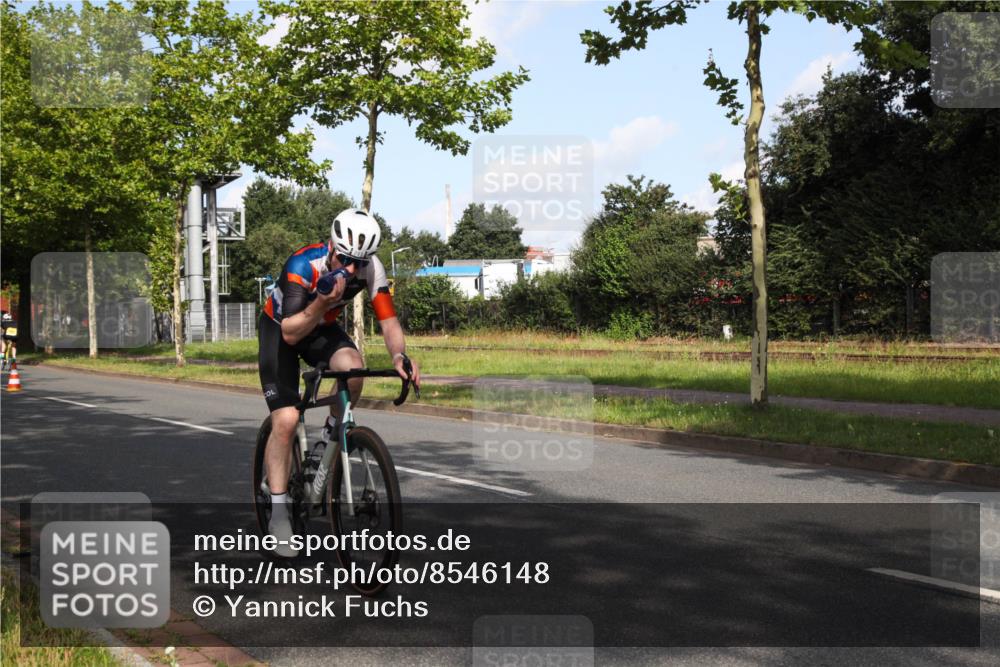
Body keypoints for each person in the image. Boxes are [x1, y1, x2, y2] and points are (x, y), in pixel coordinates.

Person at [257, 208, 420, 557]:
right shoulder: (303, 265)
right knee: (285, 420)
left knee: (353, 368)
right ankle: (280, 513)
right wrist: (322, 302)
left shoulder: (371, 268)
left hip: (320, 324)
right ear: (331, 246)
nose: (351, 269)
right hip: (282, 328)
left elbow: (389, 322)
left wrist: (397, 357)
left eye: (358, 262)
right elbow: (290, 333)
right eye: (345, 259)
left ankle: (331, 435)